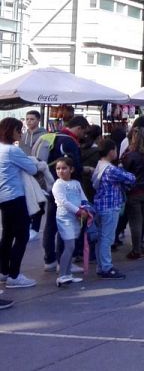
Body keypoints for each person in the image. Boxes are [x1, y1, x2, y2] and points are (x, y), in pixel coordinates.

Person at [42, 115, 88, 273]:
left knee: (51, 224)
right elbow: (73, 165)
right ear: (79, 128)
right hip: (66, 188)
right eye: (84, 132)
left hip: (51, 185)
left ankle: (49, 260)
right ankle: (64, 262)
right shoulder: (68, 141)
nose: (84, 136)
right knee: (64, 224)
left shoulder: (53, 137)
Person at [0, 117, 39, 292]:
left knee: (7, 235)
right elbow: (33, 169)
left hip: (3, 197)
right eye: (19, 129)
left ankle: (3, 271)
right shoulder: (12, 151)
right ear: (12, 131)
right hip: (15, 196)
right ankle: (14, 275)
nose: (21, 133)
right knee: (22, 235)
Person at [92, 139, 135, 279]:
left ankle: (101, 266)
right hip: (110, 207)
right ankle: (106, 267)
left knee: (101, 238)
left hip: (99, 206)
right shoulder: (111, 169)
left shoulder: (100, 165)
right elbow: (130, 178)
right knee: (107, 238)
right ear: (111, 152)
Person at [121, 128, 144, 259]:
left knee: (135, 222)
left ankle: (136, 250)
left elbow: (124, 170)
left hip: (134, 191)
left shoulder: (131, 155)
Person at [51, 157, 87, 286]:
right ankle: (61, 275)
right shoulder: (58, 184)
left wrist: (85, 209)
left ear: (71, 169)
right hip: (65, 218)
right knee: (69, 245)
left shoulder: (76, 183)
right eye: (58, 168)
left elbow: (83, 198)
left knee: (72, 246)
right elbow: (63, 202)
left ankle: (67, 274)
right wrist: (78, 211)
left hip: (77, 219)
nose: (61, 171)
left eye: (64, 168)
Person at [21, 110, 46, 240]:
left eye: (32, 119)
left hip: (39, 172)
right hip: (25, 171)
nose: (29, 121)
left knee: (39, 198)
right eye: (27, 119)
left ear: (38, 120)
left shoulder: (44, 135)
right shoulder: (23, 136)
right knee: (27, 199)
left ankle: (35, 227)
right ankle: (29, 225)